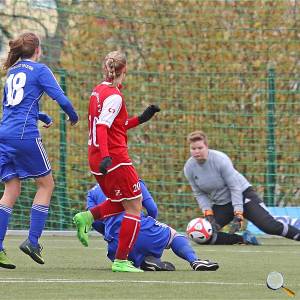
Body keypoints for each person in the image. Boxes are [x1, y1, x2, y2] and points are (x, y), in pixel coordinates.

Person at [73, 50, 160, 272]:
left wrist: (141, 119)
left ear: (106, 68)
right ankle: (121, 260)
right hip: (114, 159)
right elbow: (103, 126)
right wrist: (107, 157)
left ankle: (86, 217)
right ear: (125, 70)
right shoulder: (114, 96)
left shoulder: (98, 91)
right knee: (135, 206)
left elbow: (113, 126)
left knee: (121, 200)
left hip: (96, 156)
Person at [0, 32, 79, 269]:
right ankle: (33, 241)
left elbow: (13, 106)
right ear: (38, 50)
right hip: (25, 136)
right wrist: (73, 116)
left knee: (11, 189)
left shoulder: (12, 72)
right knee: (46, 184)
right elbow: (61, 99)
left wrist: (40, 115)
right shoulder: (40, 69)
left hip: (4, 135)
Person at [184, 130, 300, 245]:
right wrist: (208, 213)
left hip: (244, 196)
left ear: (207, 146)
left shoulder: (220, 160)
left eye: (200, 148)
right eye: (193, 149)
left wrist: (238, 213)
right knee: (204, 236)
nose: (196, 151)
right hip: (222, 204)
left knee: (269, 227)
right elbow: (199, 193)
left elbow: (235, 187)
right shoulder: (189, 168)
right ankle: (243, 239)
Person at [86, 182, 219, 272]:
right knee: (173, 235)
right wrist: (149, 226)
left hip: (116, 247)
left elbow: (93, 221)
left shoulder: (92, 193)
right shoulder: (132, 180)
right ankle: (194, 261)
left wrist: (112, 232)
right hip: (141, 230)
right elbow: (152, 209)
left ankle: (145, 261)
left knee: (132, 243)